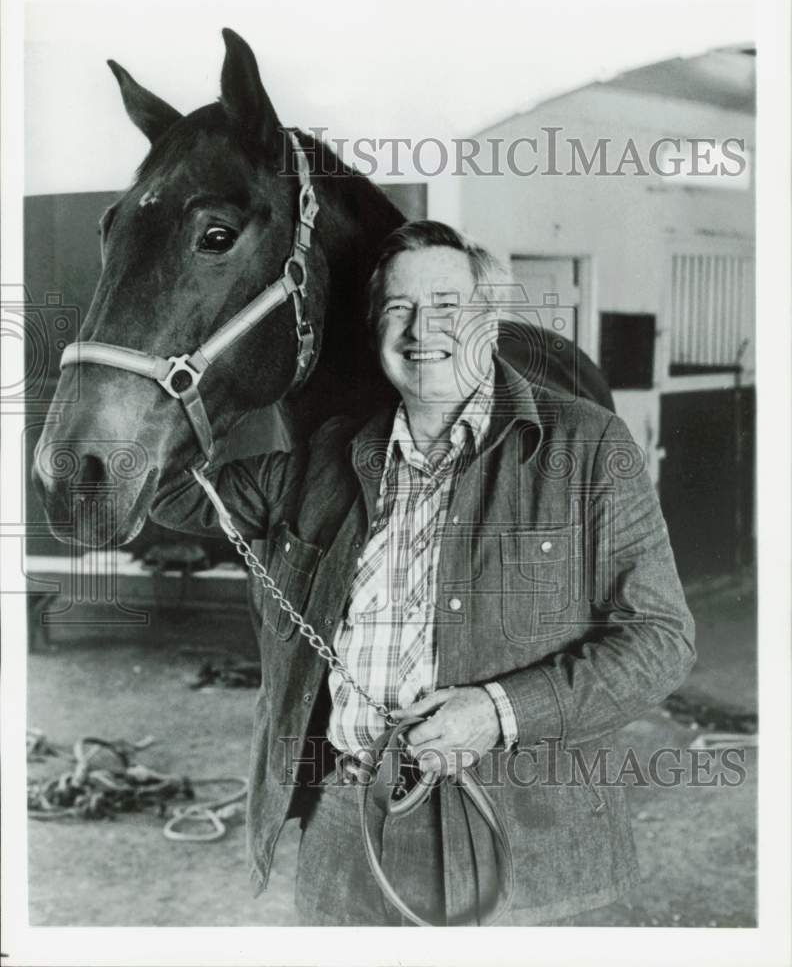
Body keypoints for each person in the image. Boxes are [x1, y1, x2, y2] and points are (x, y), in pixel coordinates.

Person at [150, 220, 695, 926]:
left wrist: (498, 712)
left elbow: (660, 640)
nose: (419, 330)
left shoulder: (588, 445)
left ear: (489, 319)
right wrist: (214, 372)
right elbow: (161, 491)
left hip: (523, 832)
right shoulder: (326, 458)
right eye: (398, 309)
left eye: (447, 306)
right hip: (349, 825)